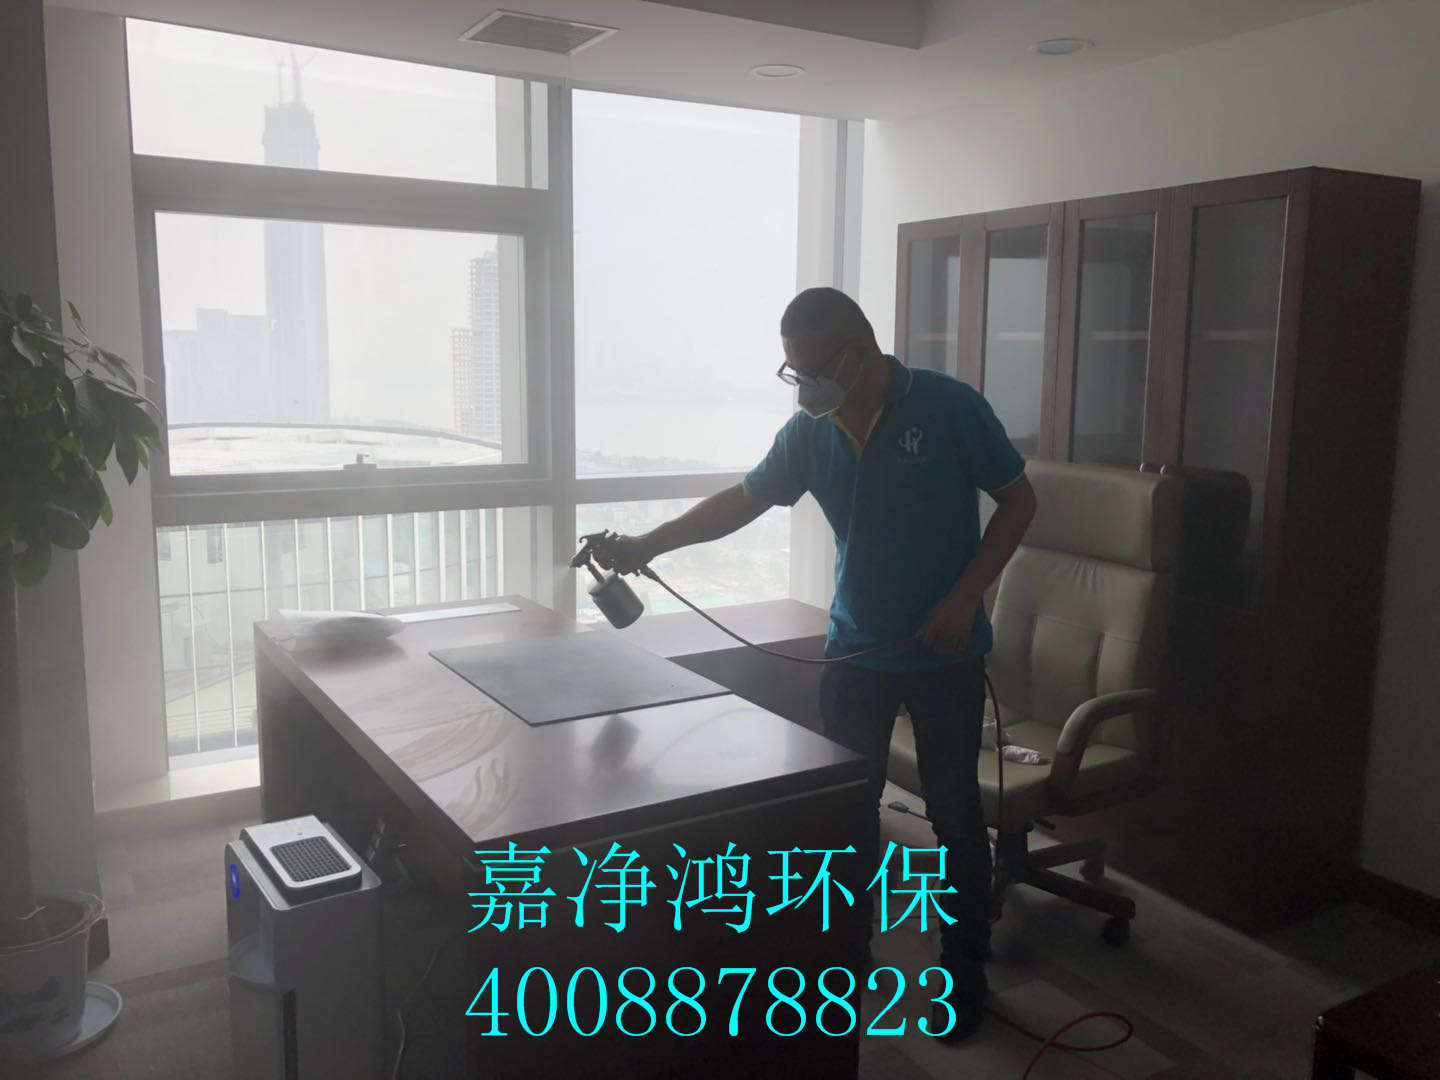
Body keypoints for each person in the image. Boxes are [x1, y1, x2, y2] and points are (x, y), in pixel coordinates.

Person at [592, 286, 1036, 1041]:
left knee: (956, 815)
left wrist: (966, 599)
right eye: (792, 371)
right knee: (845, 817)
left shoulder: (949, 407)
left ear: (858, 353)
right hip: (856, 651)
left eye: (813, 370)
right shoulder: (811, 431)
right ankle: (842, 964)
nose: (804, 386)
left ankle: (964, 971)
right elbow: (742, 501)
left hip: (945, 654)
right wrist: (648, 544)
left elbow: (1019, 502)